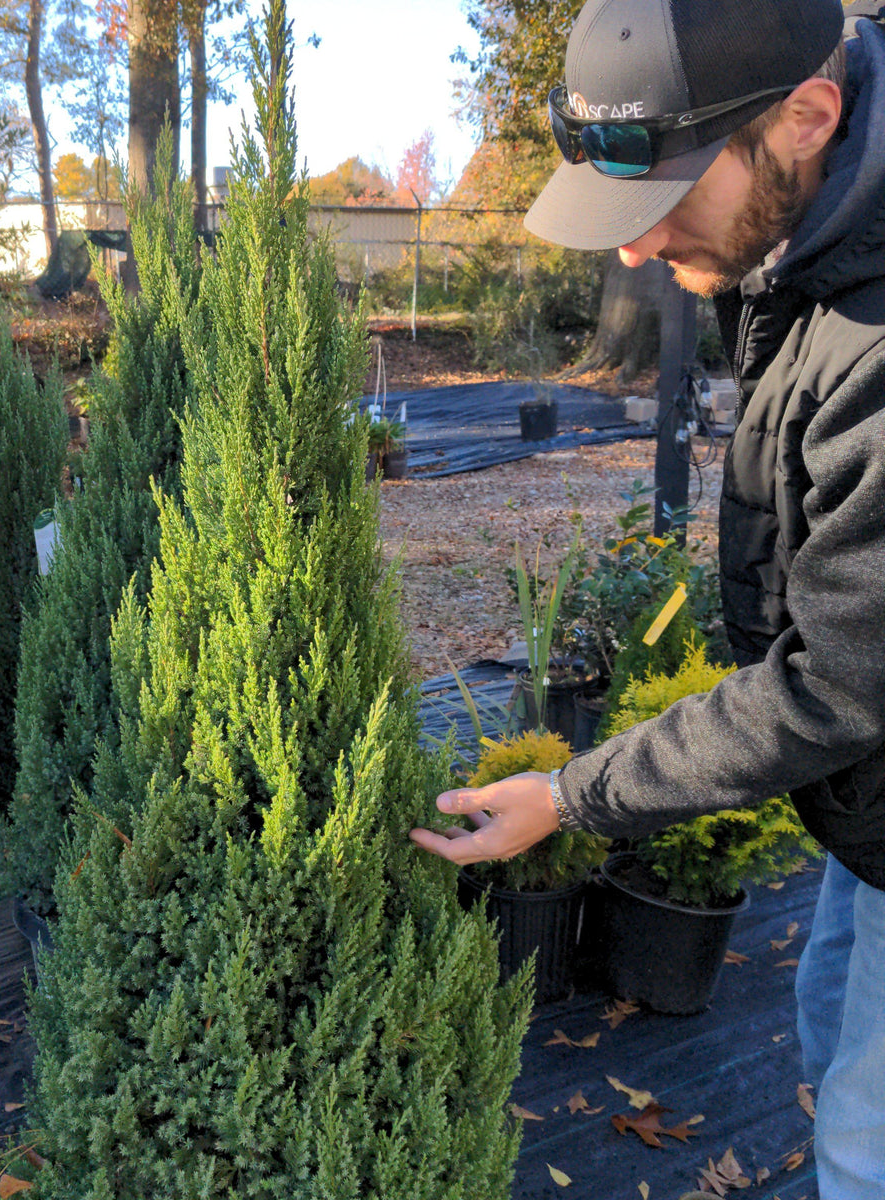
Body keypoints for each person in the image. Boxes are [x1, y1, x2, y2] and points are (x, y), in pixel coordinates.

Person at [410, 0, 885, 1196]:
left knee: (863, 1143)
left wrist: (574, 798)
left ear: (807, 116)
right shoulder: (817, 220)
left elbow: (838, 682)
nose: (631, 251)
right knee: (834, 1041)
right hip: (869, 821)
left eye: (664, 197)